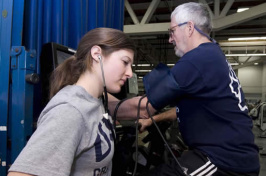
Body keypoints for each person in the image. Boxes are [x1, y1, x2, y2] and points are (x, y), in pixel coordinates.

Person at [137, 2, 260, 176]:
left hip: (225, 162)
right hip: (237, 157)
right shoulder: (212, 54)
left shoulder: (197, 60)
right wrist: (152, 120)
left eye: (172, 31)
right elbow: (182, 110)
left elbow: (144, 106)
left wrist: (105, 106)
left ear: (189, 27)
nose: (170, 39)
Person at [8, 27, 138, 176]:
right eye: (125, 62)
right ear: (97, 55)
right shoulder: (70, 110)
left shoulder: (96, 100)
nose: (129, 73)